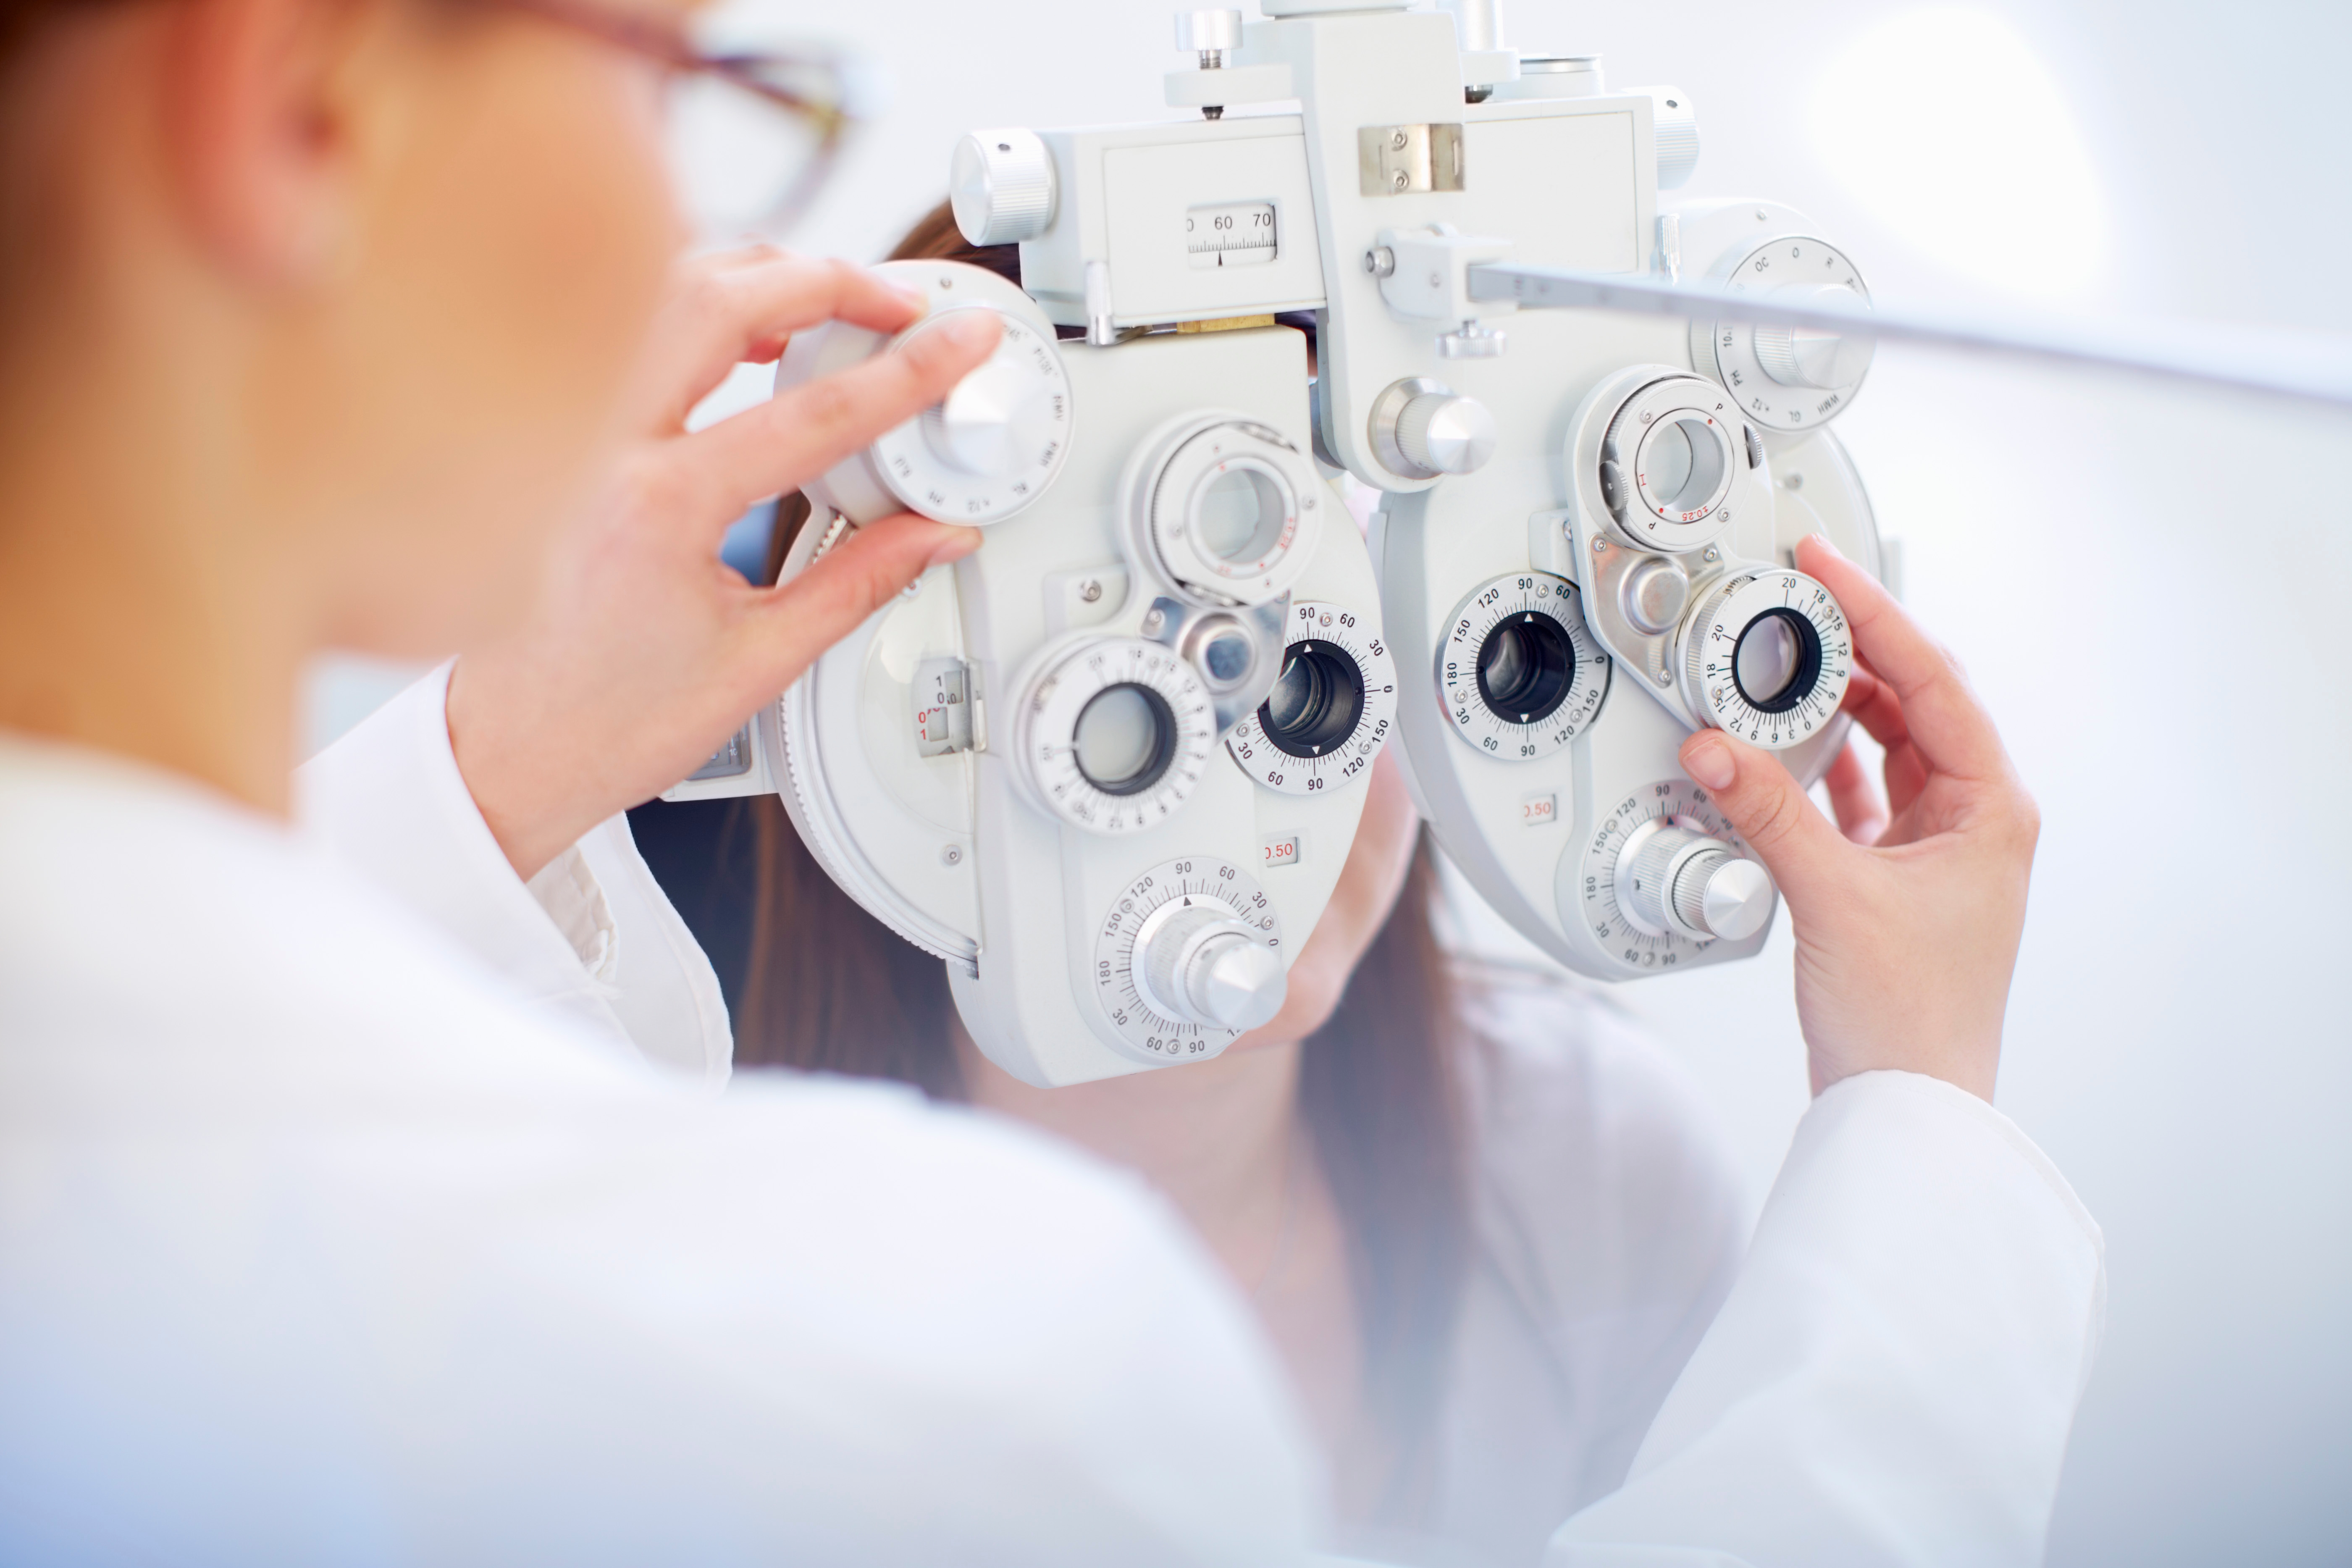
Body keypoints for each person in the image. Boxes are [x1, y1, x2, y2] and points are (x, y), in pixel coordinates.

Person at [0, 0, 2103, 1563]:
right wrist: (1917, 1126)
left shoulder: (1587, 1165)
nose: (671, 216)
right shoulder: (951, 1372)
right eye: (677, 82)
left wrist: (483, 771)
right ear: (286, 93)